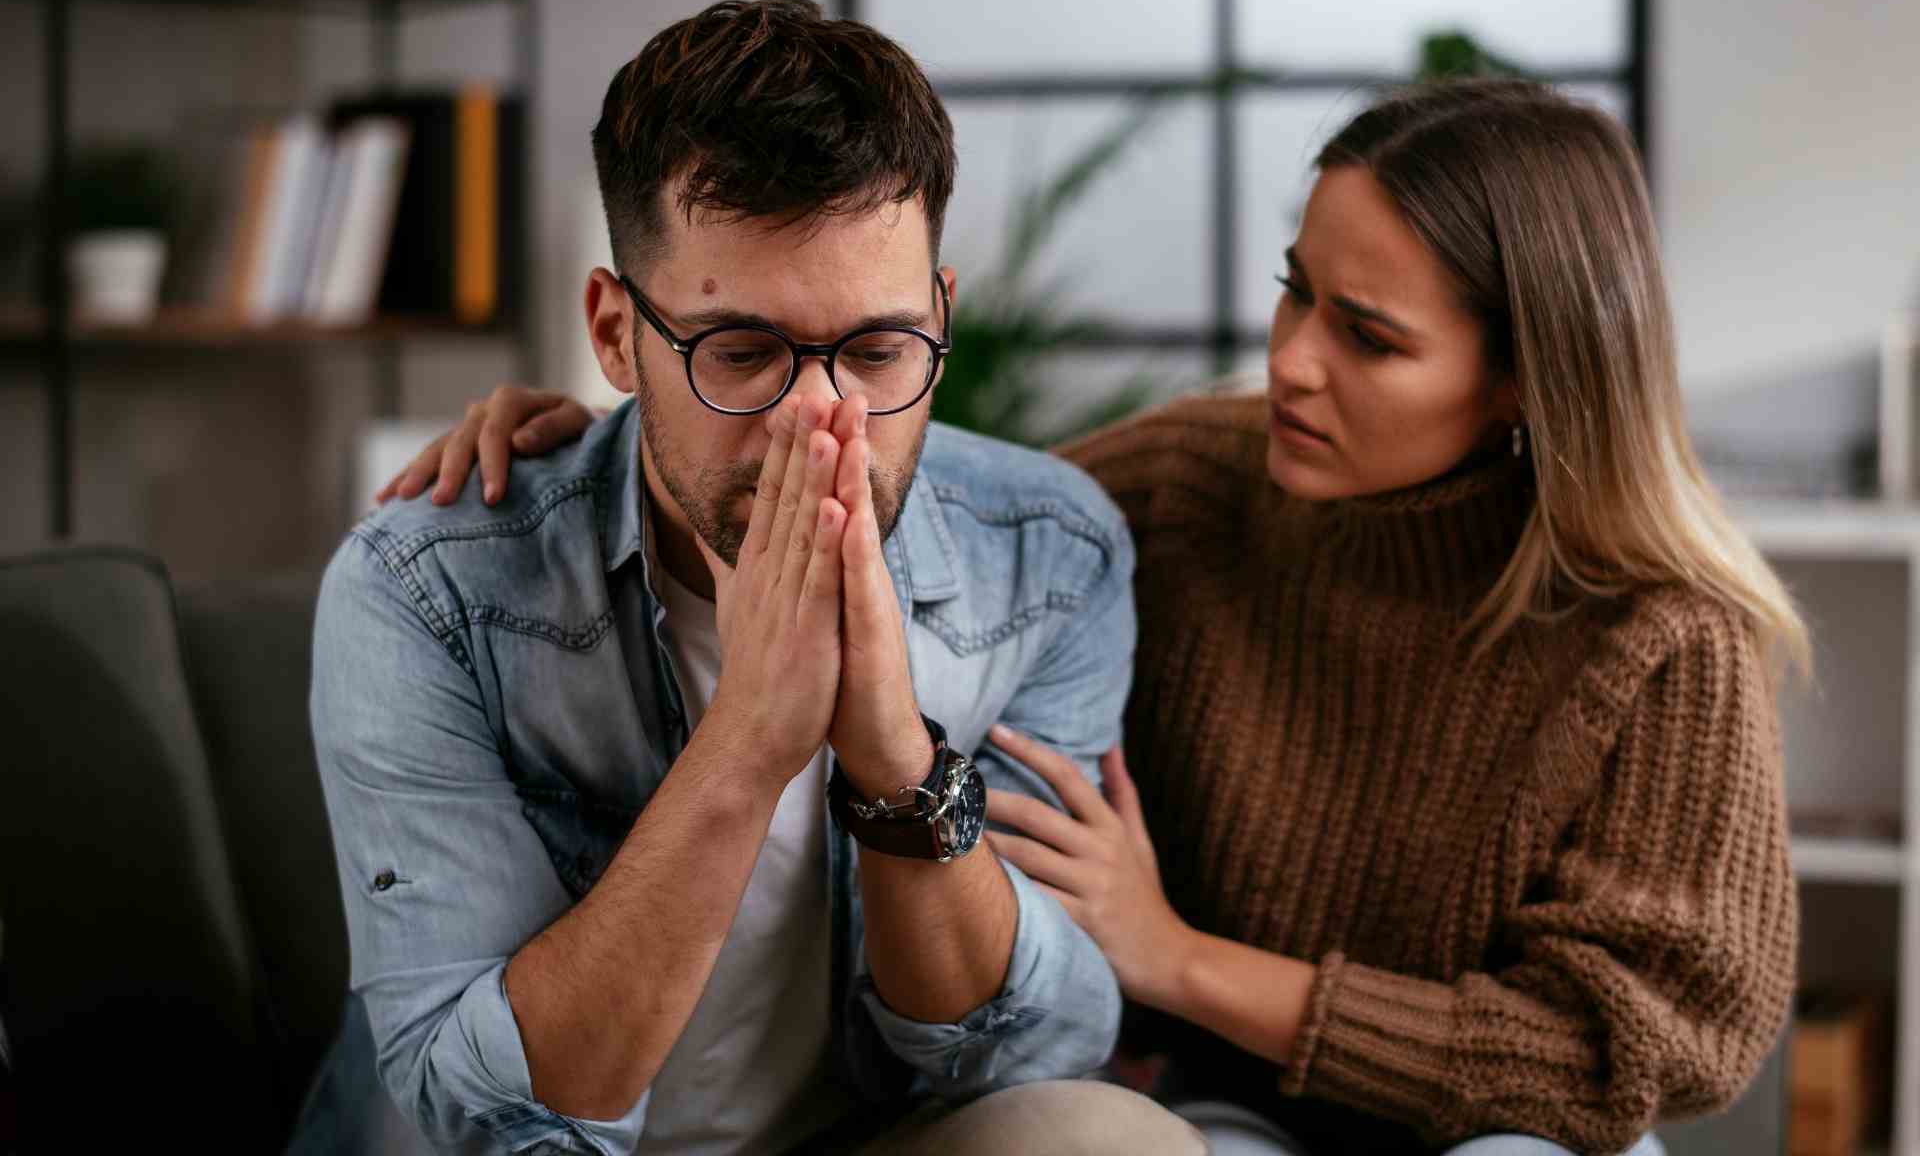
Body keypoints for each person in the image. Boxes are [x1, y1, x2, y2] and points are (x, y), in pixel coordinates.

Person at [425, 78, 1804, 1155]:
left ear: (1523, 379)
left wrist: (1183, 962)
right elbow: (921, 502)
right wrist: (622, 448)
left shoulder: (1663, 640)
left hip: (1521, 1137)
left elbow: (1630, 1053)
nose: (1291, 361)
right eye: (1296, 291)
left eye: (1368, 336)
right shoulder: (1194, 482)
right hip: (1225, 1117)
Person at [306, 0, 1207, 1156]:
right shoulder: (425, 587)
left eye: (877, 350)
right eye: (743, 352)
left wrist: (895, 761)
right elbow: (486, 1114)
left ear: (939, 320)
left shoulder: (1047, 553)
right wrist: (749, 738)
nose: (821, 420)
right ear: (616, 332)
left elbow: (1023, 1051)